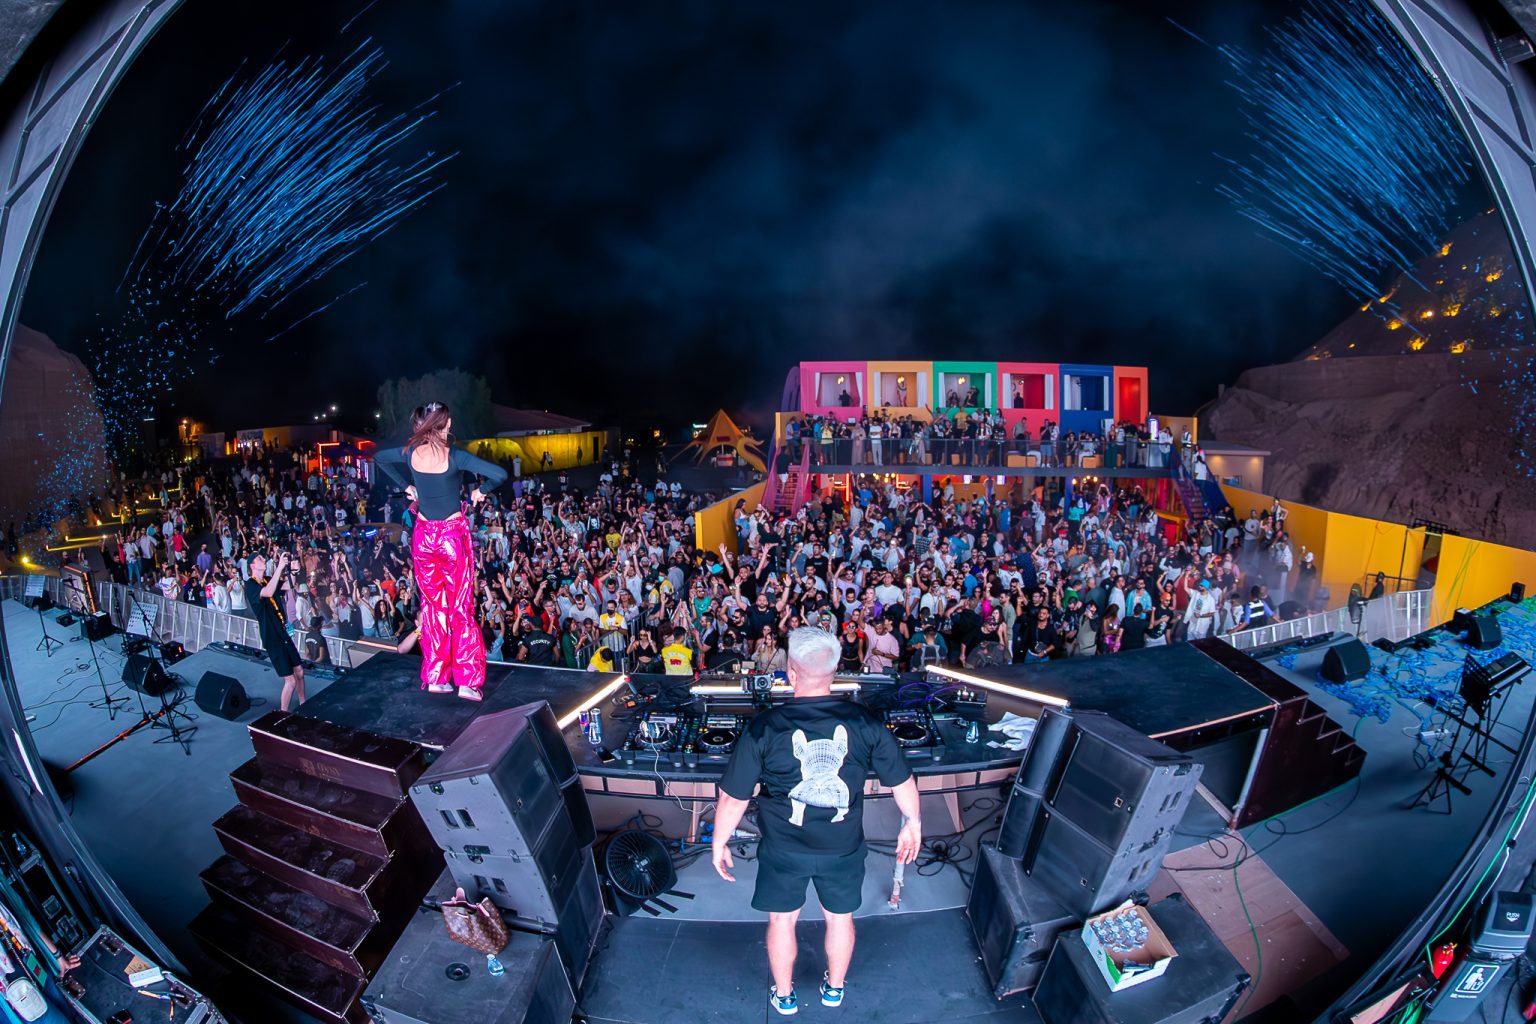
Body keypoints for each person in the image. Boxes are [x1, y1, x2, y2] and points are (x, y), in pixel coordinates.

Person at [713, 628, 921, 1016]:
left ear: (791, 672)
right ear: (835, 671)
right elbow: (902, 781)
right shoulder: (863, 722)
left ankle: (785, 996)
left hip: (783, 849)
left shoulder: (765, 727)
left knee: (781, 921)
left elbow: (734, 798)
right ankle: (834, 990)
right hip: (842, 848)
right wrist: (913, 822)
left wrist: (719, 841)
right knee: (840, 920)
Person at [374, 402, 508, 701]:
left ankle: (437, 677)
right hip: (450, 538)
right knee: (460, 607)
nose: (451, 424)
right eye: (448, 421)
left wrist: (407, 486)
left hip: (423, 538)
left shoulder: (410, 452)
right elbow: (499, 473)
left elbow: (380, 458)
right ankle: (467, 682)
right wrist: (481, 491)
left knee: (434, 607)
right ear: (443, 425)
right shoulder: (455, 456)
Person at [245, 551, 306, 711]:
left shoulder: (267, 580)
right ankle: (283, 713)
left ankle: (304, 703)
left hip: (282, 630)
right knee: (290, 681)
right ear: (252, 565)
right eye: (260, 559)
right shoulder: (250, 585)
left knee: (299, 671)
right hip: (271, 635)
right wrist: (279, 567)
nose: (263, 560)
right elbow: (268, 592)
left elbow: (286, 586)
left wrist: (293, 571)